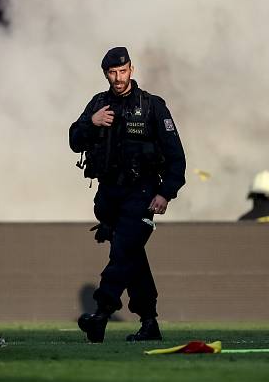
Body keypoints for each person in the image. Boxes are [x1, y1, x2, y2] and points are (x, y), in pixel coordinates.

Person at [69, 47, 186, 343]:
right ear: (106, 74)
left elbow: (177, 158)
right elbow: (73, 139)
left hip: (143, 192)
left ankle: (101, 313)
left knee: (123, 251)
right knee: (131, 256)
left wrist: (165, 193)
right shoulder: (98, 104)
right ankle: (150, 323)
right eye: (112, 73)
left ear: (131, 70)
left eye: (123, 71)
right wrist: (90, 123)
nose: (118, 78)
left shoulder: (152, 106)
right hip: (109, 195)